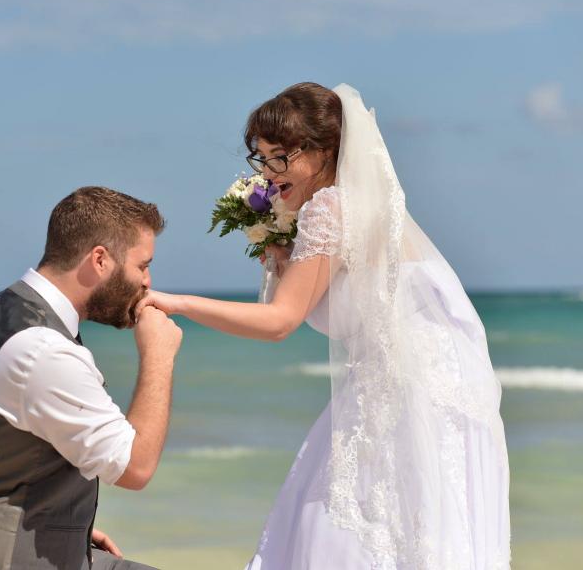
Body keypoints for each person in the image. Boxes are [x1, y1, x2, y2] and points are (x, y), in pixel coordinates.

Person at [138, 83, 511, 569]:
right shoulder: (359, 206)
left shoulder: (330, 209)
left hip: (406, 386)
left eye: (281, 157)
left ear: (325, 151)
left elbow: (280, 321)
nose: (269, 174)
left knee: (341, 519)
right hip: (431, 382)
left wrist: (178, 302)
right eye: (263, 159)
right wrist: (283, 257)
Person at [0, 186, 182, 570]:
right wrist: (159, 355)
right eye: (142, 265)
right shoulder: (42, 349)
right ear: (99, 260)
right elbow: (135, 467)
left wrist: (68, 528)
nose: (147, 281)